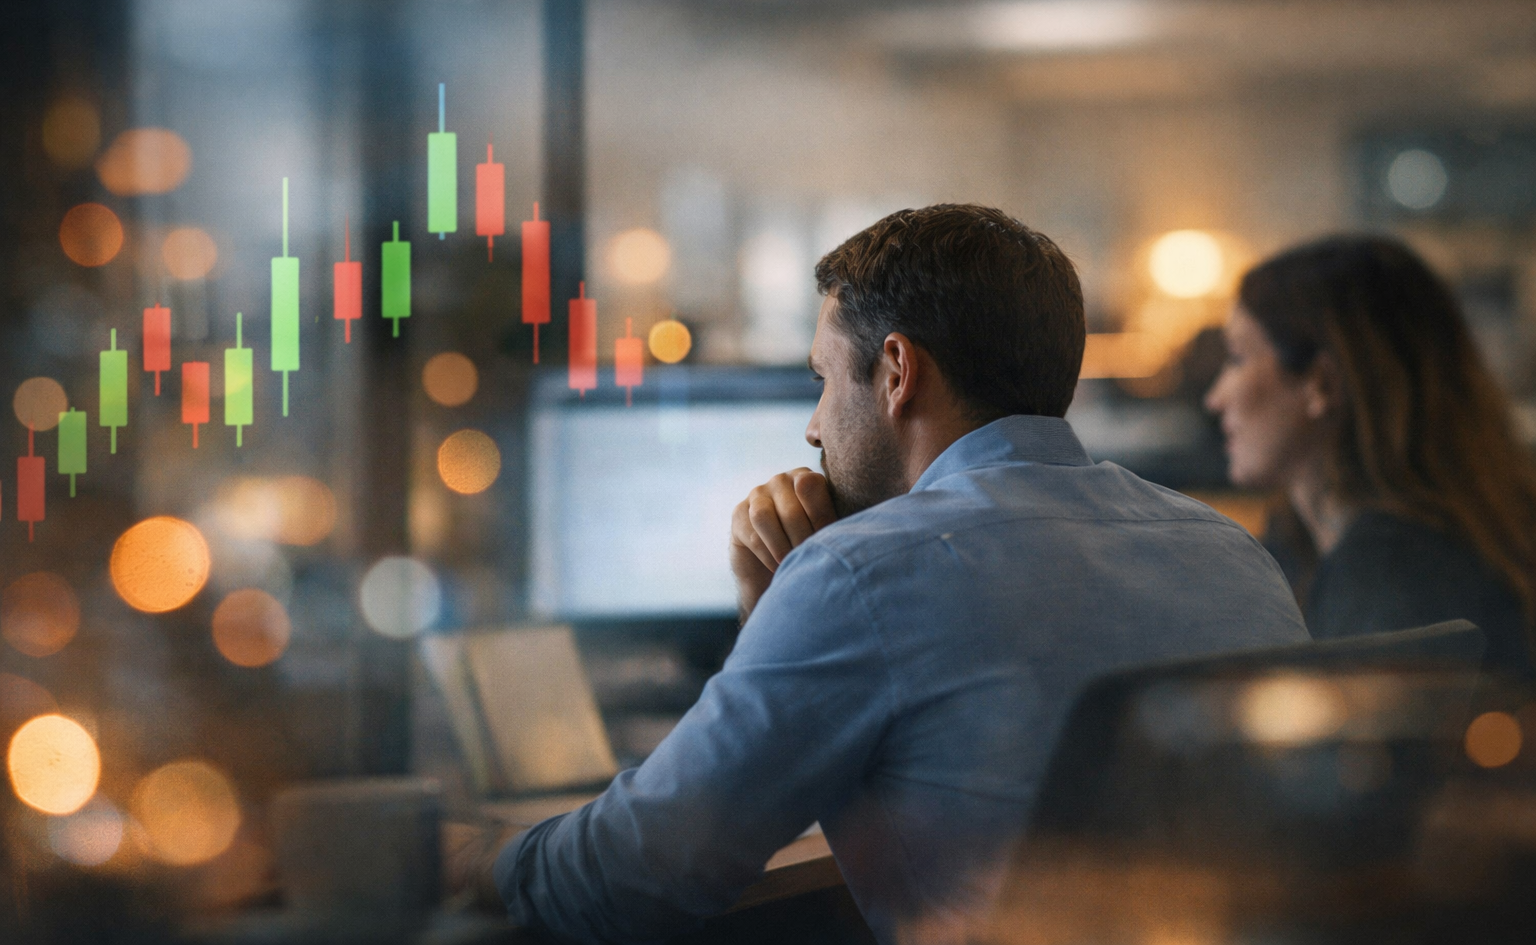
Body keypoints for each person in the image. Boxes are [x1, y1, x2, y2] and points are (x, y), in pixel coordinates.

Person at [495, 204, 1306, 944]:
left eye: (822, 380)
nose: (812, 429)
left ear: (895, 370)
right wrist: (775, 608)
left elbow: (643, 874)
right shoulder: (1232, 550)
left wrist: (472, 857)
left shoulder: (858, 572)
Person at [1205, 234, 1536, 679]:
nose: (1215, 398)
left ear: (1321, 382)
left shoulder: (1393, 576)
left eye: (1237, 358)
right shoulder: (1299, 543)